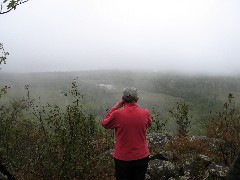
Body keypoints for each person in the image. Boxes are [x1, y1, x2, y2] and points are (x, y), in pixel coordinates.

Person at [102, 87, 152, 180]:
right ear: (137, 99)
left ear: (123, 99)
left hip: (123, 158)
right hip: (142, 156)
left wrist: (116, 107)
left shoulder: (117, 114)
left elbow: (105, 123)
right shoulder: (145, 113)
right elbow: (149, 123)